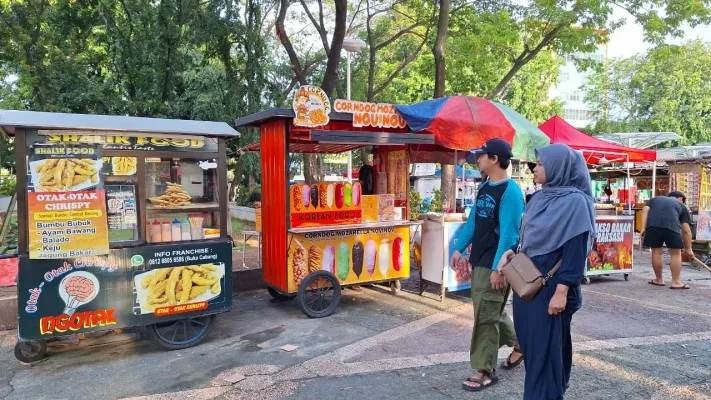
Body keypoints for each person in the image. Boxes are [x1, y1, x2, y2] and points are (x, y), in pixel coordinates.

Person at [498, 143, 596, 400]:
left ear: (558, 167)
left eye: (541, 164)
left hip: (551, 289)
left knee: (547, 352)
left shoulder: (575, 202)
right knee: (535, 349)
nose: (535, 168)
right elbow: (530, 238)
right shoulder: (540, 197)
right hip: (527, 285)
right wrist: (513, 251)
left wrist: (563, 291)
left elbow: (575, 250)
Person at [450, 138, 525, 392]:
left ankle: (485, 370)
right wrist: (459, 248)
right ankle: (521, 343)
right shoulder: (485, 187)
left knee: (486, 316)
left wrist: (497, 269)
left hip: (496, 264)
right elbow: (473, 222)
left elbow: (509, 236)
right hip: (480, 260)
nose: (477, 159)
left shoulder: (511, 192)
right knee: (490, 310)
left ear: (494, 159)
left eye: (481, 155)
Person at [641, 191, 693, 289]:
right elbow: (686, 231)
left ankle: (659, 279)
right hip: (672, 227)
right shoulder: (682, 206)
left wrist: (643, 228)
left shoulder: (655, 199)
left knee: (656, 252)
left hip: (653, 226)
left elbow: (645, 210)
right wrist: (689, 248)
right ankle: (676, 282)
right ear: (680, 198)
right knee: (676, 253)